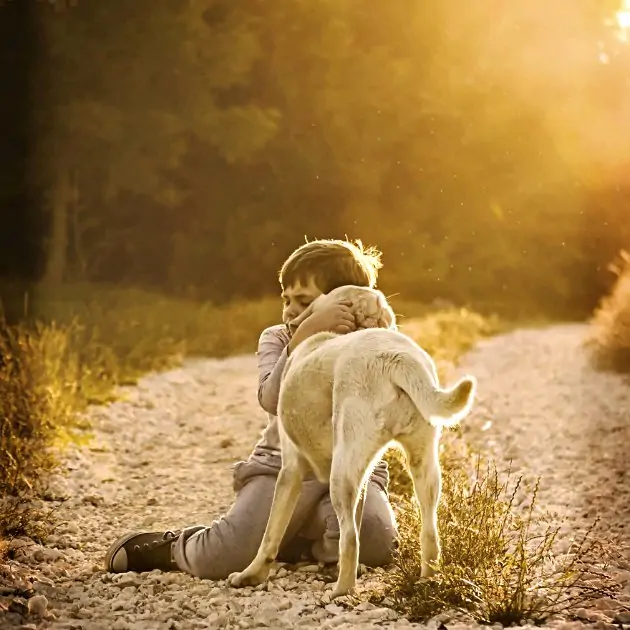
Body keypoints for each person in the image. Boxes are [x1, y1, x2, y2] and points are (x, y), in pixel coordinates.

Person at [105, 238, 398, 579]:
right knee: (224, 558)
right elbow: (271, 398)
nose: (289, 310)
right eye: (286, 299)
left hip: (355, 471)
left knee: (378, 541)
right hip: (283, 468)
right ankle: (175, 547)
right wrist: (305, 336)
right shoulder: (277, 338)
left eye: (303, 301)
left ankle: (295, 539)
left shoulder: (371, 340)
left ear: (345, 301)